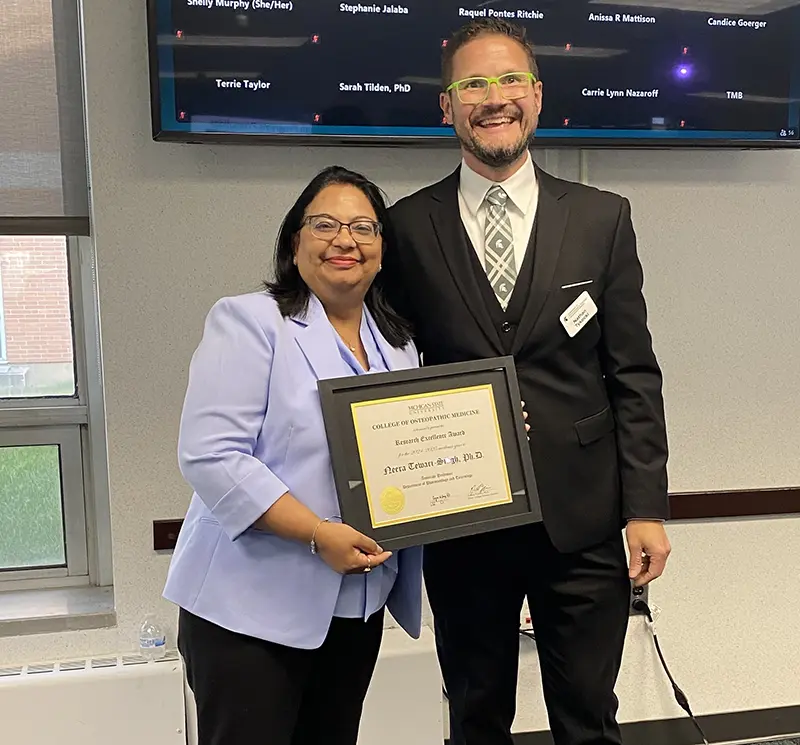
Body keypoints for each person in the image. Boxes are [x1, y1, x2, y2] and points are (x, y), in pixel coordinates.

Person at [383, 18, 672, 745]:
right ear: (446, 106)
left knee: (588, 716)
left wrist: (645, 507)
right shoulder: (405, 228)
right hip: (464, 521)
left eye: (510, 80)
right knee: (476, 717)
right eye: (473, 84)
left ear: (538, 96)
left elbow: (633, 373)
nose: (494, 98)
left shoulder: (603, 219)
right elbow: (387, 373)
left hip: (583, 521)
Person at [163, 165, 423, 745]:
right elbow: (211, 455)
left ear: (383, 249)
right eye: (324, 224)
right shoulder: (250, 321)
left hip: (357, 608)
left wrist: (495, 435)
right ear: (294, 241)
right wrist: (316, 532)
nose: (345, 240)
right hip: (248, 612)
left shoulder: (400, 345)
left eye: (363, 227)